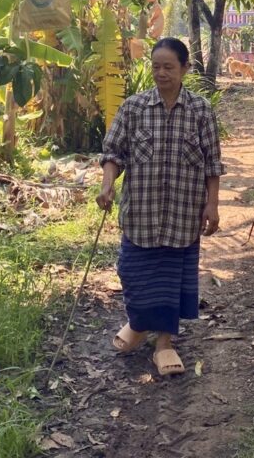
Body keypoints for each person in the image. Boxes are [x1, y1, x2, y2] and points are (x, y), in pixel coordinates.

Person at [97, 38, 223, 376]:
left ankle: (164, 343)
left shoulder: (200, 110)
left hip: (182, 213)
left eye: (169, 67)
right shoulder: (134, 108)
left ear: (185, 68)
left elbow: (213, 163)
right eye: (156, 67)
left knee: (171, 280)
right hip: (141, 213)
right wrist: (107, 185)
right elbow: (113, 153)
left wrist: (212, 204)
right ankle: (139, 324)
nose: (161, 73)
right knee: (132, 271)